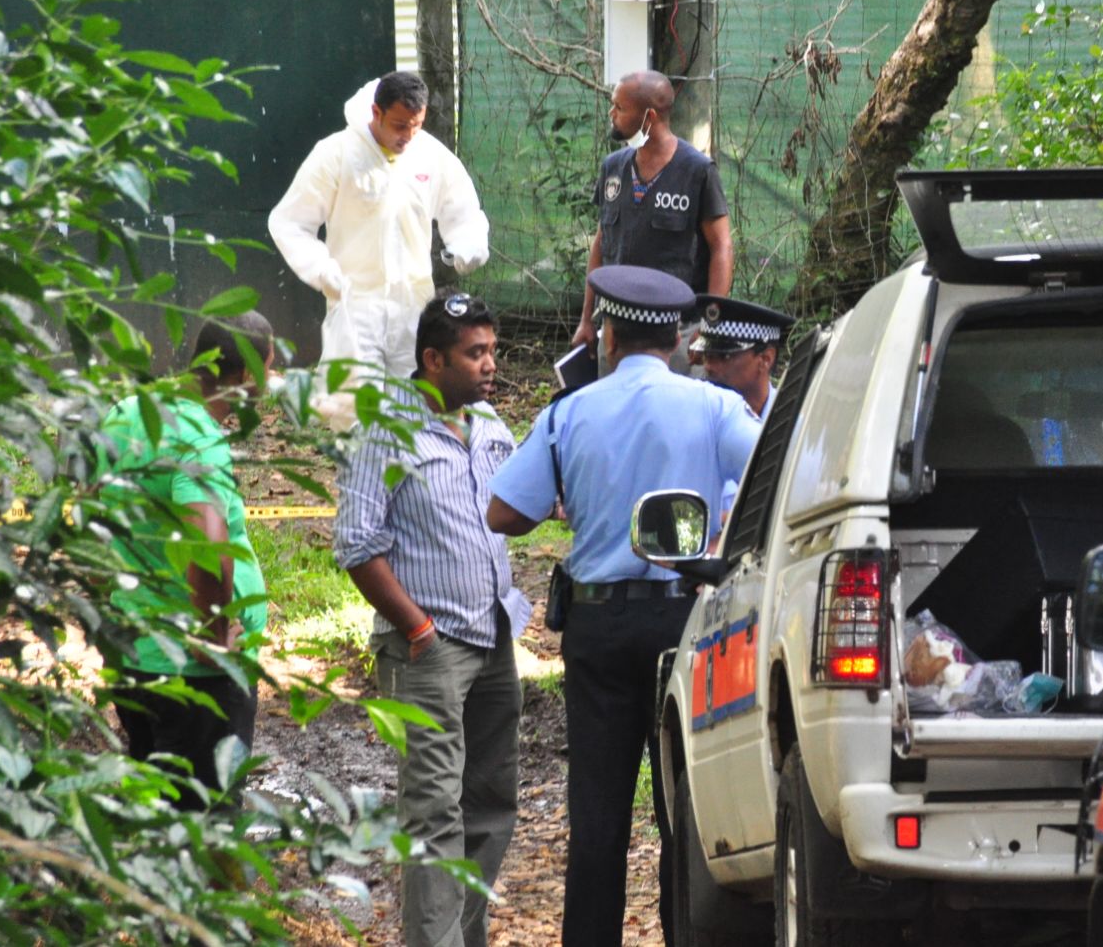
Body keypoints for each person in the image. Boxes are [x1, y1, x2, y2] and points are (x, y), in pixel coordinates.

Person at [486, 266, 761, 947]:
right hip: (683, 622)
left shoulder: (568, 412)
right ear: (678, 341)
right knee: (684, 813)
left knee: (598, 817)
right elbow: (772, 478)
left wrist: (572, 497)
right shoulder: (714, 408)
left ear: (607, 336)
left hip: (599, 626)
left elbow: (503, 511)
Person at [334, 292, 528, 947]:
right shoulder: (384, 431)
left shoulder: (491, 426)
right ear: (432, 359)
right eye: (475, 354)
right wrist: (416, 627)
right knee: (434, 810)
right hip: (429, 649)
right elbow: (357, 544)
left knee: (492, 801)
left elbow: (517, 506)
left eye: (492, 351)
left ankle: (464, 938)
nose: (490, 365)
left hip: (495, 637)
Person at [102, 311, 274, 809]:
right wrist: (213, 638)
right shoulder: (198, 437)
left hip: (133, 656)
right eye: (268, 367)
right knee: (206, 823)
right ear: (246, 375)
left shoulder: (129, 411)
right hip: (195, 680)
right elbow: (208, 542)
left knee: (156, 814)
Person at [269, 70, 490, 429]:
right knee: (354, 413)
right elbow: (289, 222)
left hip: (414, 306)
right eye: (400, 125)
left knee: (419, 409)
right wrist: (323, 271)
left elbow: (463, 211)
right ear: (376, 112)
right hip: (356, 305)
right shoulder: (337, 153)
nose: (408, 136)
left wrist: (468, 245)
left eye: (417, 125)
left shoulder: (430, 155)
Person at [570, 71, 733, 371]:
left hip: (676, 334)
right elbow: (601, 243)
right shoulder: (613, 168)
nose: (612, 113)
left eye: (620, 107)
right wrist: (586, 320)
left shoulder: (697, 171)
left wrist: (711, 322)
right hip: (616, 331)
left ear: (650, 117)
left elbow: (721, 247)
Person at [695, 294, 796, 516]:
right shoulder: (695, 419)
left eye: (724, 356)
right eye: (707, 355)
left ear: (766, 359)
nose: (709, 366)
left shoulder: (794, 422)